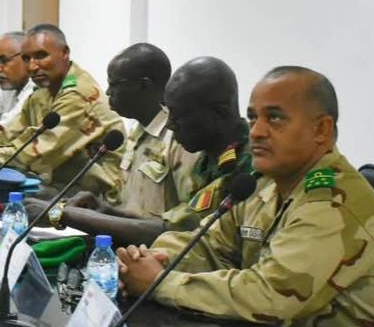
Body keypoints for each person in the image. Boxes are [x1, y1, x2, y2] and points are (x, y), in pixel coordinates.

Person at [118, 66, 374, 327]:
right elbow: (211, 244)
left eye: (274, 118)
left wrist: (159, 282)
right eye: (253, 117)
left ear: (321, 130)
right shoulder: (267, 184)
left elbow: (269, 297)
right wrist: (152, 260)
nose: (256, 131)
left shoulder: (332, 203)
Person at [49, 56, 251, 244]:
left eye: (178, 116)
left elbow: (178, 232)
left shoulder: (245, 165)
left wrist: (64, 214)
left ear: (219, 113)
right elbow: (177, 221)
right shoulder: (208, 158)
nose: (170, 124)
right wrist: (108, 212)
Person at [0, 24, 125, 203]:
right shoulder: (43, 91)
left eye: (41, 56)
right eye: (26, 58)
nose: (32, 66)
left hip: (96, 201)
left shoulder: (78, 94)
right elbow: (7, 132)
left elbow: (34, 155)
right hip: (59, 187)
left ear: (65, 53)